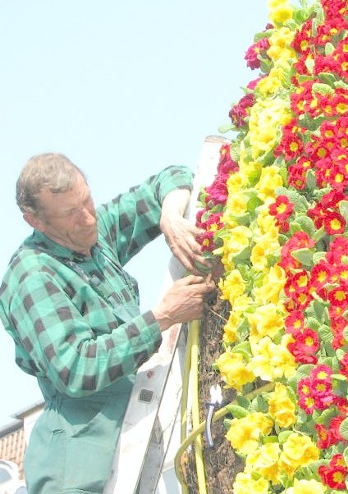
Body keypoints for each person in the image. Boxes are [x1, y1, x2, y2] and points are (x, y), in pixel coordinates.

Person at [0, 153, 218, 493]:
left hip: (139, 431)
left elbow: (172, 175)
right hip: (81, 463)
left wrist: (171, 217)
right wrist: (162, 316)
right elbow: (75, 368)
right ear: (35, 221)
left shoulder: (94, 237)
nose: (87, 218)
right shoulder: (32, 274)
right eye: (71, 213)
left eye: (86, 199)